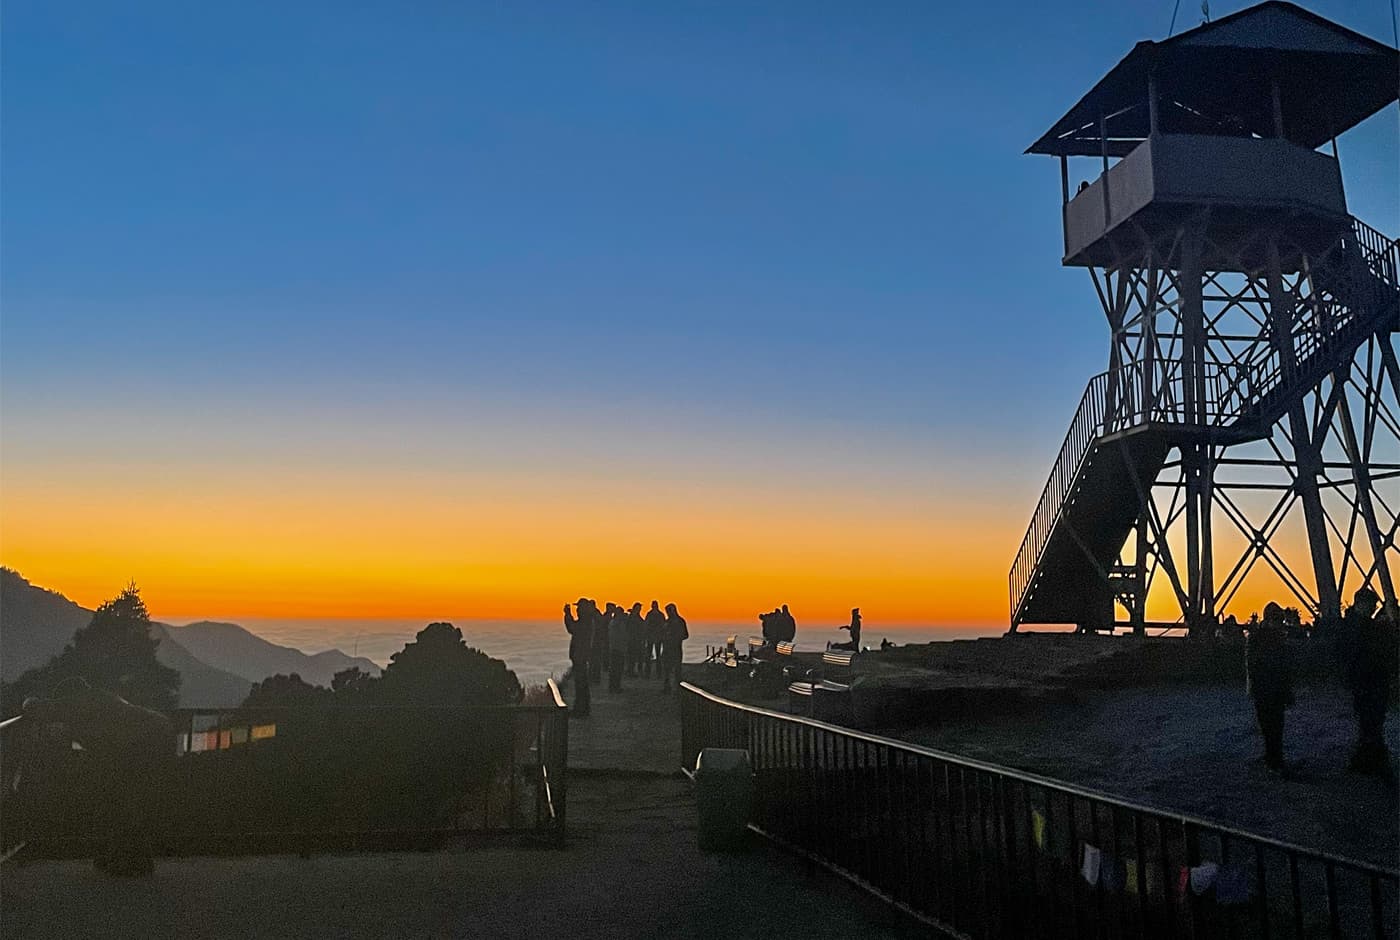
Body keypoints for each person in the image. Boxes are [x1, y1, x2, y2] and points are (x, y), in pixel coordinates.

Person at [23, 677, 173, 875]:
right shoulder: (98, 701)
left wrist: (29, 707)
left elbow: (37, 707)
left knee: (122, 803)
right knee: (121, 802)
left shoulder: (83, 704)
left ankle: (133, 862)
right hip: (145, 743)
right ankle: (123, 857)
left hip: (140, 748)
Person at [1341, 587, 1397, 777]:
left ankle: (1366, 761)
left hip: (1363, 682)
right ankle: (1373, 762)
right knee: (1372, 723)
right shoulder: (1364, 628)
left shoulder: (1350, 625)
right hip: (1370, 682)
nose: (1373, 609)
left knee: (1369, 724)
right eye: (1372, 606)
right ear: (1363, 604)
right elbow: (1372, 653)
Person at [1245, 603, 1294, 772]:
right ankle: (1275, 758)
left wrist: (1251, 686)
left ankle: (1272, 757)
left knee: (1268, 725)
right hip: (1271, 688)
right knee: (1274, 725)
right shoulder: (1278, 639)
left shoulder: (1256, 637)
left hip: (1263, 689)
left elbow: (1251, 664)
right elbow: (1284, 667)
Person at [564, 600, 593, 717]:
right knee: (582, 683)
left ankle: (580, 710)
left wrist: (567, 614)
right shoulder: (586, 621)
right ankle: (583, 708)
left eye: (578, 608)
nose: (577, 610)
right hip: (581, 655)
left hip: (580, 656)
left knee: (580, 684)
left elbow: (572, 628)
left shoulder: (585, 622)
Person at [660, 603, 688, 692]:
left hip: (676, 648)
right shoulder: (667, 622)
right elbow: (662, 634)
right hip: (667, 648)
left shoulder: (680, 621)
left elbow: (685, 635)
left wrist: (675, 637)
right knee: (667, 669)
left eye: (669, 611)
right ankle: (667, 687)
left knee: (677, 669)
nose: (668, 613)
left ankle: (678, 687)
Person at [607, 604, 629, 693]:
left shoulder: (612, 622)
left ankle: (613, 686)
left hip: (614, 647)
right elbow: (623, 635)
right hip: (618, 648)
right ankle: (615, 687)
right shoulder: (618, 623)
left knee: (614, 669)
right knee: (617, 669)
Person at [644, 601, 666, 678]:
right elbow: (646, 626)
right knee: (650, 656)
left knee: (656, 656)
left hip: (657, 637)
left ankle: (657, 673)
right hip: (652, 637)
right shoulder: (652, 615)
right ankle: (649, 673)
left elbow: (663, 626)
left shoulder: (658, 615)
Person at [626, 602, 647, 677]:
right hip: (632, 639)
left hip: (637, 639)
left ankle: (633, 670)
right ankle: (630, 671)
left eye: (640, 609)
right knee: (632, 656)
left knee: (635, 656)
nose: (639, 610)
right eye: (638, 608)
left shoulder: (637, 617)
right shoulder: (632, 617)